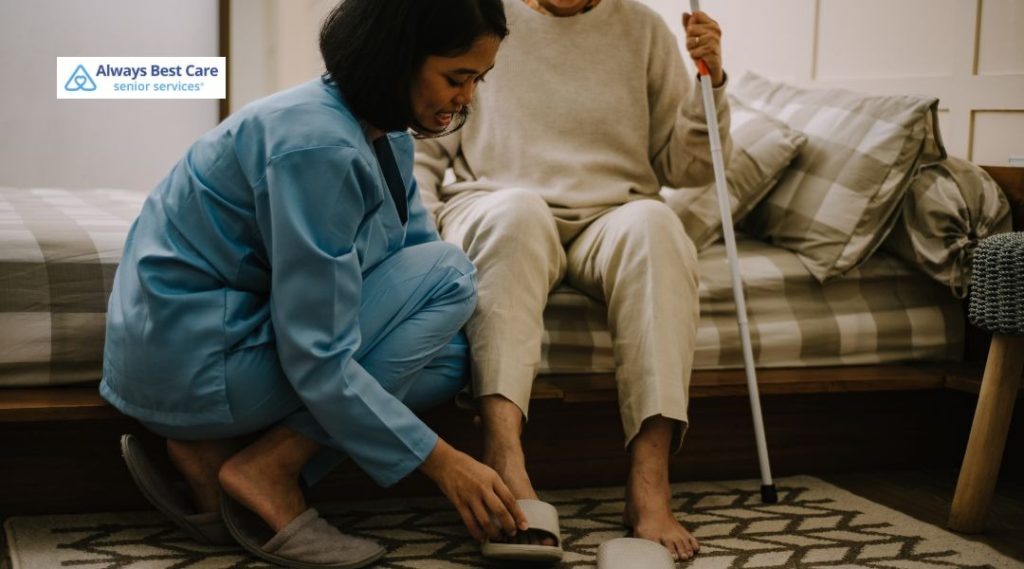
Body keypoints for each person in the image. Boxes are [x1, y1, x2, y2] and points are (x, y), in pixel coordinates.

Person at [100, 1, 527, 567]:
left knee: (448, 356)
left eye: (478, 79)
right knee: (451, 274)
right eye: (457, 77)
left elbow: (406, 258)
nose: (467, 98)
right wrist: (442, 460)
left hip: (206, 348)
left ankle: (242, 460)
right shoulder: (318, 144)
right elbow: (317, 355)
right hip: (193, 361)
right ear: (396, 58)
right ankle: (268, 472)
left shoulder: (383, 134)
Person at [414, 0, 730, 562]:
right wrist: (421, 235)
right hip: (496, 200)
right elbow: (425, 140)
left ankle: (650, 483)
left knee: (659, 225)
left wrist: (713, 82)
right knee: (518, 215)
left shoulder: (644, 29)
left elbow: (690, 169)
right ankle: (505, 460)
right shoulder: (482, 18)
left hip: (611, 211)